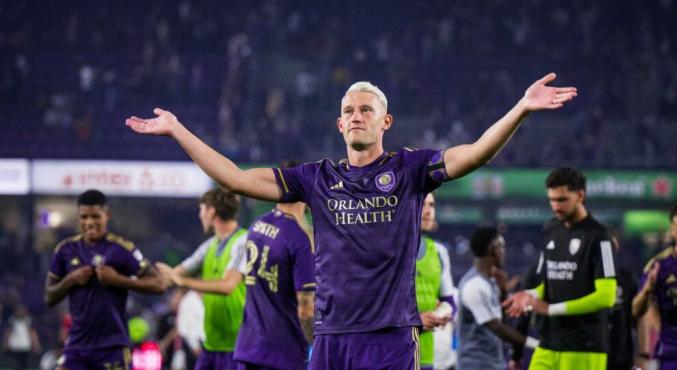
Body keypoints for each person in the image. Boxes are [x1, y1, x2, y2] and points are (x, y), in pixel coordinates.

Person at [127, 74, 576, 367]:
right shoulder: (316, 178)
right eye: (348, 111)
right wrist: (178, 131)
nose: (356, 116)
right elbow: (238, 179)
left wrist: (521, 108)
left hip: (390, 337)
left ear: (386, 122)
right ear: (340, 126)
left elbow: (473, 154)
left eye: (365, 110)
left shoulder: (410, 169)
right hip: (331, 337)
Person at [502, 167, 617, 370]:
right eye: (552, 200)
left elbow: (606, 296)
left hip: (584, 347)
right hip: (548, 343)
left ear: (580, 195)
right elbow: (547, 282)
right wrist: (528, 296)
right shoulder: (550, 229)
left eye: (562, 199)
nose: (556, 206)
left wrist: (551, 309)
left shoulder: (600, 236)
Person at [44, 189, 166, 370]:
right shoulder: (65, 250)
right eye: (84, 217)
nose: (89, 222)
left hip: (112, 347)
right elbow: (49, 297)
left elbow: (159, 284)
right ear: (78, 217)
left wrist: (118, 280)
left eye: (95, 216)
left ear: (107, 215)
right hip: (76, 346)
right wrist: (70, 279)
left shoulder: (121, 248)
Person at [234, 168, 316, 370]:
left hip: (249, 345)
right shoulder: (298, 238)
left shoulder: (257, 224)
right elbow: (305, 308)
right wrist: (317, 344)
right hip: (281, 351)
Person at [156, 188, 247, 370]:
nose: (200, 216)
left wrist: (181, 281)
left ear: (211, 211)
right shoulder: (208, 246)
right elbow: (175, 274)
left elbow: (227, 286)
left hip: (238, 346)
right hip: (211, 344)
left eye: (201, 210)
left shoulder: (244, 241)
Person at [458, 227, 540, 370]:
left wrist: (502, 291)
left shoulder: (490, 282)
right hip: (474, 365)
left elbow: (500, 321)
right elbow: (497, 327)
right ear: (493, 249)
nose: (504, 252)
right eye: (502, 246)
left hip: (493, 363)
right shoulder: (474, 285)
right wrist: (537, 344)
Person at [631, 203, 677, 370]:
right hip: (672, 353)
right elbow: (636, 311)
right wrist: (647, 290)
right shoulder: (658, 266)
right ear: (672, 230)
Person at [416, 192, 457, 370]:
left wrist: (435, 316)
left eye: (431, 205)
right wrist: (415, 323)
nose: (428, 211)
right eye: (422, 204)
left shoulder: (439, 252)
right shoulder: (387, 249)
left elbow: (449, 303)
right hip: (391, 352)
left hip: (426, 356)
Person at [606, 228, 638, 370]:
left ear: (616, 246)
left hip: (621, 356)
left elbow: (639, 318)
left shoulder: (627, 279)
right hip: (591, 355)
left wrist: (642, 354)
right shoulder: (582, 280)